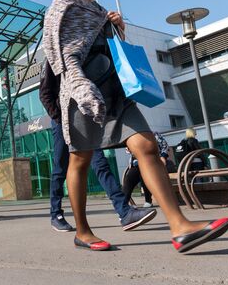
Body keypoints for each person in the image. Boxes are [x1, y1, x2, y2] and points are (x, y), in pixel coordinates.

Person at [42, 0, 228, 253]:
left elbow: (114, 51)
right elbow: (59, 54)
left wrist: (117, 28)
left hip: (115, 92)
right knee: (80, 160)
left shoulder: (100, 12)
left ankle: (179, 226)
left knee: (147, 145)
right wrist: (80, 85)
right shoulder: (63, 5)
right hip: (80, 93)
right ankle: (83, 231)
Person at [39, 60, 157, 232]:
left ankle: (124, 211)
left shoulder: (88, 51)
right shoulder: (55, 55)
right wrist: (59, 118)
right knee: (60, 167)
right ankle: (55, 214)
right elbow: (45, 93)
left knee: (100, 164)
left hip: (84, 118)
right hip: (62, 120)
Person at [123, 132, 171, 208]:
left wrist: (163, 156)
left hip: (153, 162)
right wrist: (130, 149)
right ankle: (124, 202)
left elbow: (165, 146)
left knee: (144, 174)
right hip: (137, 163)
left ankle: (148, 200)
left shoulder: (154, 134)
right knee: (129, 178)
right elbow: (127, 150)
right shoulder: (133, 136)